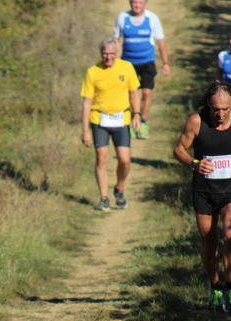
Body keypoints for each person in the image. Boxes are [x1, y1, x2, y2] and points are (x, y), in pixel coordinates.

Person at [173, 81, 231, 313]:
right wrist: (194, 163)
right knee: (209, 241)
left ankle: (230, 286)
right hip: (205, 191)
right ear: (208, 106)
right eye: (215, 109)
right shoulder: (196, 121)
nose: (220, 114)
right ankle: (215, 287)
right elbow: (179, 149)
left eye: (225, 109)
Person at [81, 38, 141, 212]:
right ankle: (104, 198)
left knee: (124, 160)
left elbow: (134, 93)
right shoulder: (93, 72)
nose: (108, 58)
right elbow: (86, 102)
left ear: (117, 53)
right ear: (101, 54)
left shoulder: (126, 67)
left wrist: (137, 115)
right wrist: (85, 130)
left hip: (121, 119)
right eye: (105, 54)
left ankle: (119, 188)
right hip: (99, 119)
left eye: (112, 54)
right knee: (102, 158)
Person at [113, 0, 170, 139]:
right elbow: (116, 40)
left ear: (145, 4)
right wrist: (115, 63)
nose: (137, 5)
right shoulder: (122, 18)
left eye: (140, 2)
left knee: (146, 93)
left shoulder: (152, 18)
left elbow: (160, 42)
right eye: (134, 2)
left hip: (146, 62)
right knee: (131, 94)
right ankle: (133, 121)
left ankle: (142, 122)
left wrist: (165, 63)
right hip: (128, 63)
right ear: (130, 3)